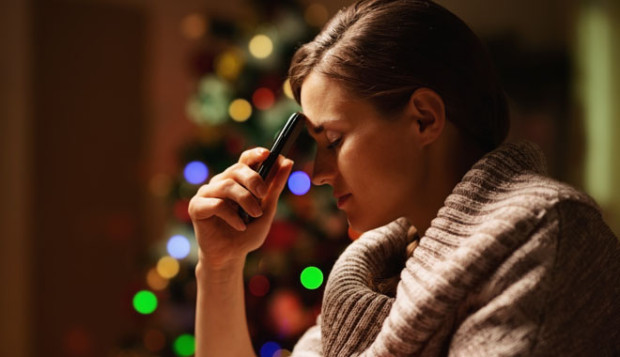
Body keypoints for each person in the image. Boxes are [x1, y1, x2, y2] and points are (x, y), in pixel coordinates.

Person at [189, 0, 620, 355]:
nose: (318, 174)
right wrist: (221, 267)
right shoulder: (377, 268)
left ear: (423, 119)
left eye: (334, 140)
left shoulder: (545, 231)